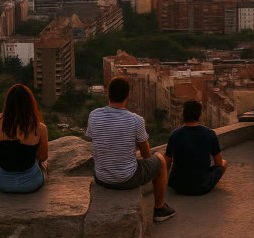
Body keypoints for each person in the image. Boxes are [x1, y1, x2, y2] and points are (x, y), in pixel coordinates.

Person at [88, 76, 176, 223]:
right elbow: (146, 154)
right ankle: (160, 209)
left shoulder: (94, 115)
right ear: (128, 95)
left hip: (101, 177)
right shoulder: (136, 120)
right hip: (126, 179)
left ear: (108, 93)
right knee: (160, 159)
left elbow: (95, 139)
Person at [164, 100, 228, 196]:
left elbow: (167, 163)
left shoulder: (174, 135)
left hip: (178, 186)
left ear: (183, 115)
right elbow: (218, 163)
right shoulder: (210, 133)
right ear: (199, 115)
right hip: (201, 186)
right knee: (224, 163)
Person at [0, 84, 49, 194]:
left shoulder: (0, 120)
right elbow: (43, 157)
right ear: (30, 103)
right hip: (31, 184)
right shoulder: (40, 128)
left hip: (3, 183)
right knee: (46, 163)